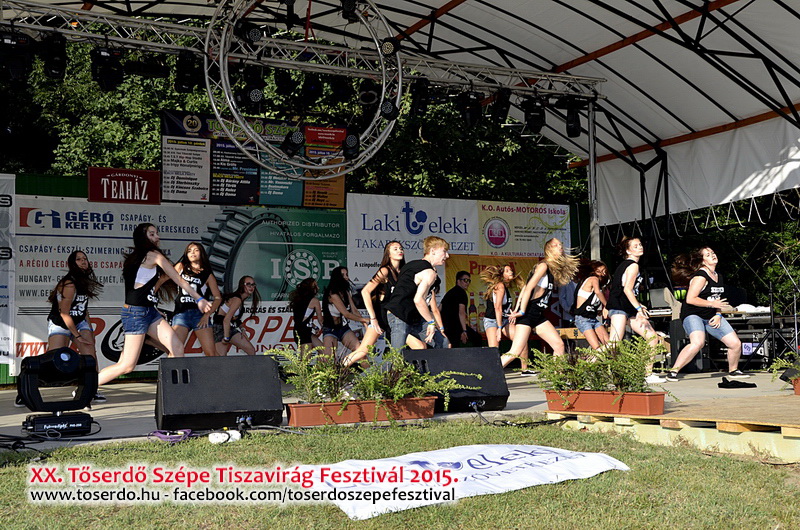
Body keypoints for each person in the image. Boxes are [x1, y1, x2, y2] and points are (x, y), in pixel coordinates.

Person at [98, 224, 212, 387]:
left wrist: (153, 305)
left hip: (149, 312)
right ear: (143, 237)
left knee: (177, 347)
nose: (157, 237)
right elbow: (177, 278)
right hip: (136, 313)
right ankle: (89, 387)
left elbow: (144, 287)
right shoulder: (153, 255)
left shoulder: (137, 258)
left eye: (156, 233)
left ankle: (175, 392)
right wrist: (199, 298)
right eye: (152, 234)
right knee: (126, 366)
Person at [33, 251, 105, 406]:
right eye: (79, 259)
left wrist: (89, 330)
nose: (83, 261)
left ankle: (91, 389)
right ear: (72, 263)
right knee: (54, 360)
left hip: (79, 321)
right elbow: (64, 313)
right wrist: (77, 336)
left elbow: (83, 309)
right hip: (61, 322)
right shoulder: (69, 283)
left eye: (85, 259)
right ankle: (27, 385)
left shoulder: (83, 282)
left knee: (90, 355)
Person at [668, 247, 749, 381]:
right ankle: (673, 371)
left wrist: (718, 315)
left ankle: (733, 370)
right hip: (693, 314)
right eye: (708, 254)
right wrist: (712, 305)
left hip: (711, 315)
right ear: (702, 260)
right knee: (698, 342)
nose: (712, 255)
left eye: (713, 253)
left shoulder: (718, 276)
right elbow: (690, 299)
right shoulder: (700, 276)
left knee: (735, 344)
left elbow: (718, 301)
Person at [501, 238, 578, 374]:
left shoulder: (551, 270)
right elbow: (529, 287)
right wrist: (521, 311)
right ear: (549, 249)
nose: (560, 247)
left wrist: (517, 306)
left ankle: (558, 378)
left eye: (560, 245)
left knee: (559, 345)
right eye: (555, 245)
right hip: (528, 313)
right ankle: (486, 373)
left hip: (538, 315)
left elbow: (524, 287)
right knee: (515, 351)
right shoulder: (543, 266)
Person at [606, 236, 666, 384]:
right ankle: (585, 366)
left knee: (652, 337)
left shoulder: (626, 265)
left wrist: (637, 304)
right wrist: (639, 308)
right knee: (614, 343)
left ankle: (647, 373)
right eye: (635, 246)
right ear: (628, 251)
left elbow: (626, 289)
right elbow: (627, 289)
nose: (640, 247)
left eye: (640, 244)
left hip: (627, 307)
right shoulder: (632, 266)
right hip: (620, 307)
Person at [343, 241, 405, 366]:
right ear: (388, 254)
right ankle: (335, 372)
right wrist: (373, 318)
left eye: (401, 248)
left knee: (419, 346)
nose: (399, 250)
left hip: (396, 319)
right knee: (362, 351)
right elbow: (365, 291)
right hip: (381, 317)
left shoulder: (403, 272)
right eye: (395, 249)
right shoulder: (385, 270)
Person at [384, 236, 450, 349]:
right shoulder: (429, 272)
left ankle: (439, 361)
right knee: (397, 354)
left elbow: (422, 300)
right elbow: (418, 300)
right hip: (399, 315)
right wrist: (431, 322)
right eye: (444, 251)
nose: (447, 255)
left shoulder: (413, 265)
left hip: (413, 316)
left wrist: (435, 325)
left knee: (443, 342)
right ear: (433, 251)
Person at [170, 242, 222, 356]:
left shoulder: (207, 274)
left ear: (201, 253)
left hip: (199, 315)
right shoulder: (181, 267)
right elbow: (164, 278)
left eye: (196, 250)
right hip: (181, 313)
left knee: (211, 353)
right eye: (189, 251)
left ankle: (223, 368)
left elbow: (218, 298)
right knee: (174, 351)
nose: (192, 253)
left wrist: (207, 315)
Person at [321, 266, 369, 361]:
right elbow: (346, 314)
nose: (346, 277)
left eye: (347, 274)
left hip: (343, 328)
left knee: (361, 353)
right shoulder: (332, 294)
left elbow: (354, 310)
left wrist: (364, 323)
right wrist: (364, 319)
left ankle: (368, 370)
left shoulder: (346, 292)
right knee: (328, 360)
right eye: (343, 275)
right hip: (330, 329)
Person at [479, 264, 524, 350]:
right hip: (492, 320)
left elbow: (507, 306)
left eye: (511, 270)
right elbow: (498, 307)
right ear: (502, 275)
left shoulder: (507, 287)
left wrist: (513, 313)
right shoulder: (500, 286)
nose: (511, 272)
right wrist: (499, 328)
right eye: (507, 271)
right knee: (494, 349)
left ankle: (519, 359)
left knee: (521, 342)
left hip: (505, 320)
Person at [214, 276, 260, 356]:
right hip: (220, 328)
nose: (251, 287)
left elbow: (235, 319)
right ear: (242, 285)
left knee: (251, 350)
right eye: (248, 284)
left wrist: (242, 329)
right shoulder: (237, 299)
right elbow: (226, 320)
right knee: (221, 359)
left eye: (253, 285)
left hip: (227, 327)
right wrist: (226, 338)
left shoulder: (239, 300)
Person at [573, 260, 611, 350]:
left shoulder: (599, 285)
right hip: (583, 319)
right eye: (599, 271)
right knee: (597, 348)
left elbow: (590, 303)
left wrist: (598, 311)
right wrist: (607, 306)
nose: (602, 274)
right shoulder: (593, 279)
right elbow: (597, 292)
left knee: (610, 345)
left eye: (604, 271)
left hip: (593, 318)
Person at [441, 271, 482, 348]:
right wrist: (464, 330)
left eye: (469, 281)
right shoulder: (461, 293)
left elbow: (440, 307)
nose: (467, 283)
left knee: (453, 346)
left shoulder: (450, 292)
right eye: (465, 280)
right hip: (454, 326)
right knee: (477, 338)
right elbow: (461, 312)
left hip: (447, 325)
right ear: (458, 281)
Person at [288, 278, 323, 354]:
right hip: (304, 332)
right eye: (316, 286)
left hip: (301, 330)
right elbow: (320, 319)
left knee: (323, 351)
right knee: (305, 358)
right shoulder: (314, 301)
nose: (318, 288)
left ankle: (320, 362)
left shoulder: (298, 300)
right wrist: (327, 330)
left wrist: (314, 327)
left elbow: (304, 318)